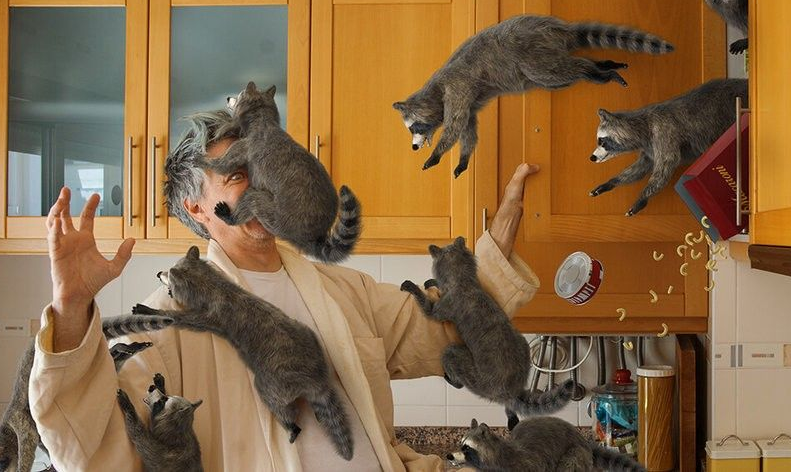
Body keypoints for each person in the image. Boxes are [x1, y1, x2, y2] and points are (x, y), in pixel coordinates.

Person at [29, 110, 542, 471]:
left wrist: (500, 234)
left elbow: (449, 326)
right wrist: (71, 308)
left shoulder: (343, 291)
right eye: (236, 177)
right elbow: (97, 451)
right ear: (197, 210)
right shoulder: (171, 324)